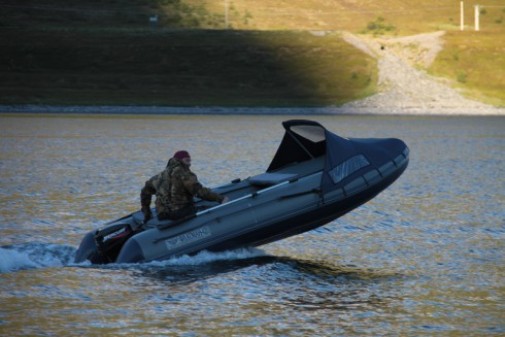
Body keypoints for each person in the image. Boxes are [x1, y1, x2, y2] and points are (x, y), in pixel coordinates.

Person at [140, 150, 228, 222]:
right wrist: (220, 198)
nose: (189, 164)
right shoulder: (184, 173)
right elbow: (199, 192)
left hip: (162, 215)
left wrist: (146, 212)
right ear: (179, 160)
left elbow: (144, 192)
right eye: (187, 160)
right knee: (209, 210)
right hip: (181, 212)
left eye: (190, 161)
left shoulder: (158, 177)